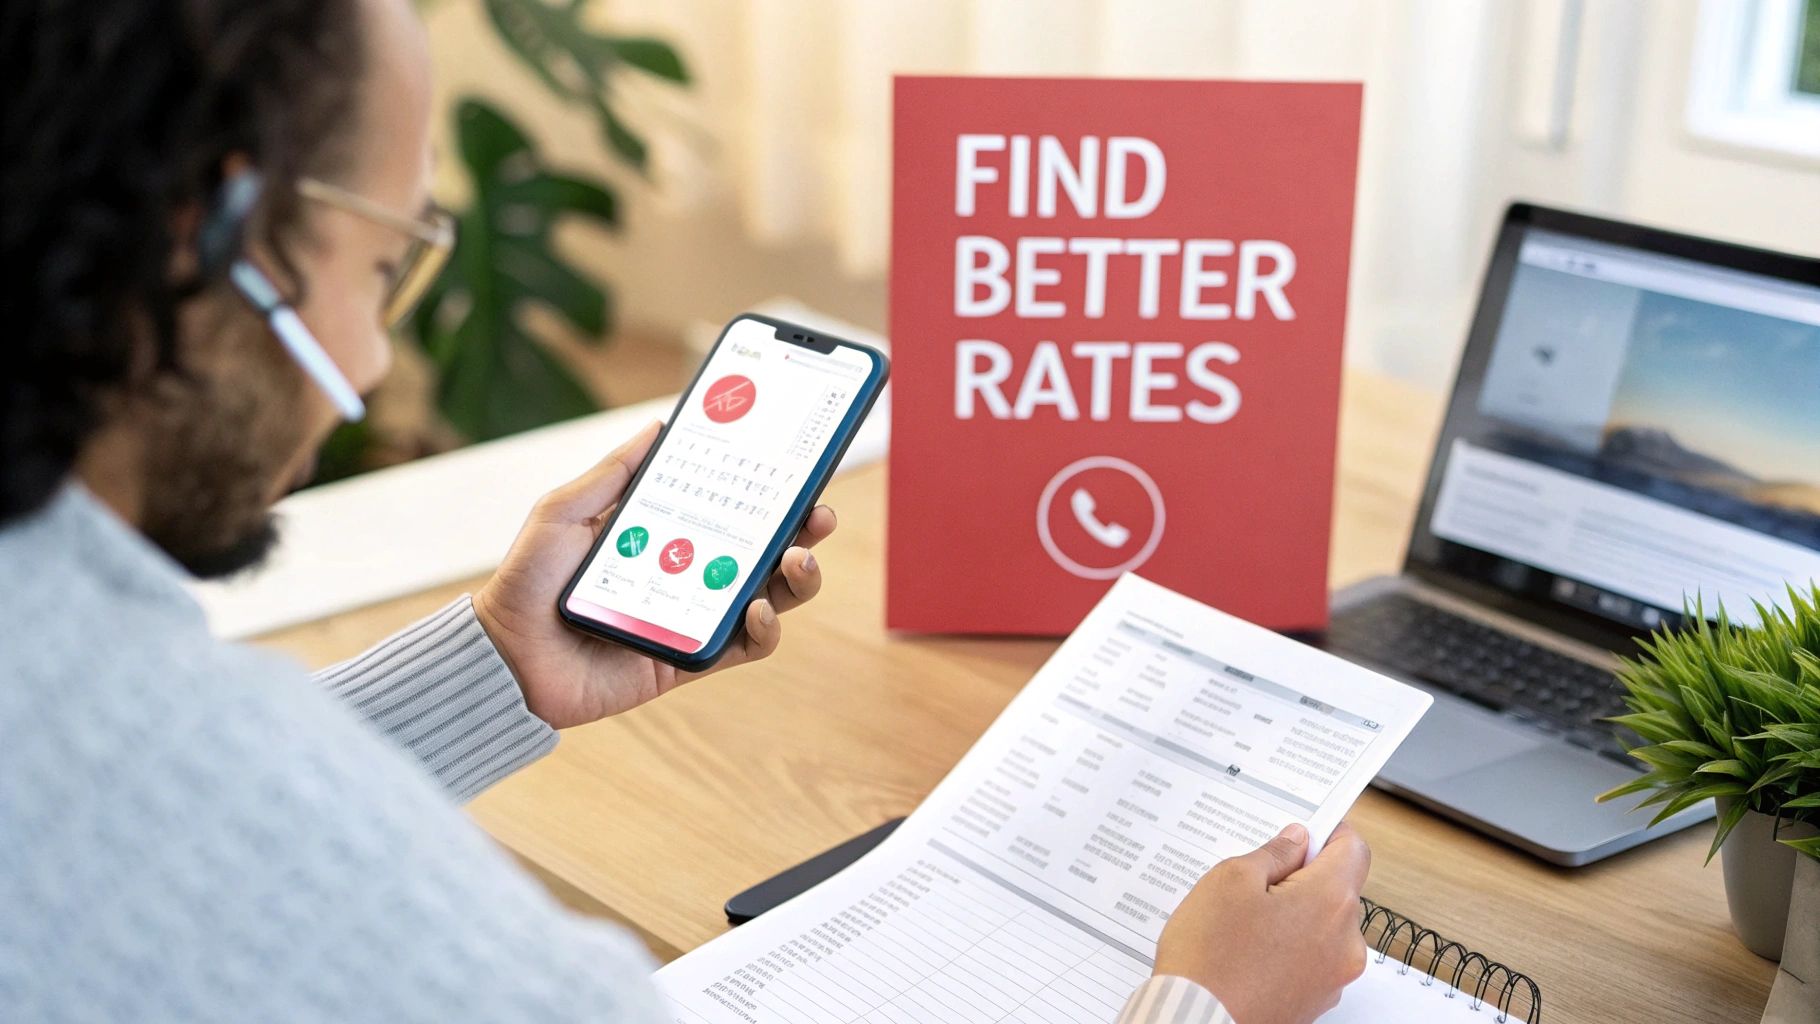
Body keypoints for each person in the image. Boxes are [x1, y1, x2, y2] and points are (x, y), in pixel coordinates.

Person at [0, 0, 1371, 1020]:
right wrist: (1206, 1004)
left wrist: (491, 668)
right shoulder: (138, 753)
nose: (366, 368)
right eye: (382, 260)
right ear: (218, 237)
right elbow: (187, 811)